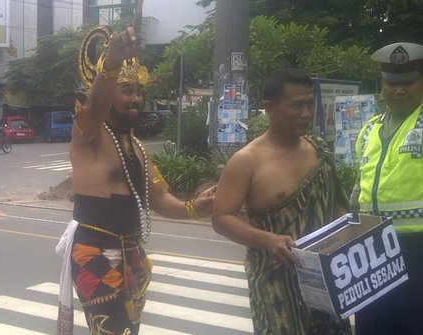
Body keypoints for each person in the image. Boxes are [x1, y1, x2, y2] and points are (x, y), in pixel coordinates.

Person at [56, 26, 217, 335]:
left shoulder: (137, 147)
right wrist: (113, 62)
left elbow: (158, 197)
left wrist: (195, 207)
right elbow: (96, 106)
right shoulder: (87, 133)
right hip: (95, 253)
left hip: (133, 253)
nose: (135, 98)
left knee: (131, 329)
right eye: (125, 90)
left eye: (138, 91)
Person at [212, 68, 351, 334]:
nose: (306, 113)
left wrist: (346, 237)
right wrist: (268, 239)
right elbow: (221, 219)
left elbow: (335, 205)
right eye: (297, 105)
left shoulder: (317, 150)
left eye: (310, 104)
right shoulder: (247, 161)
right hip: (276, 287)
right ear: (270, 108)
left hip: (326, 280)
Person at [351, 42, 423, 335]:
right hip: (374, 249)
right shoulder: (369, 128)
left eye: (408, 82)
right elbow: (360, 183)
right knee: (373, 325)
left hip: (417, 247)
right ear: (382, 85)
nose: (399, 90)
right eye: (392, 83)